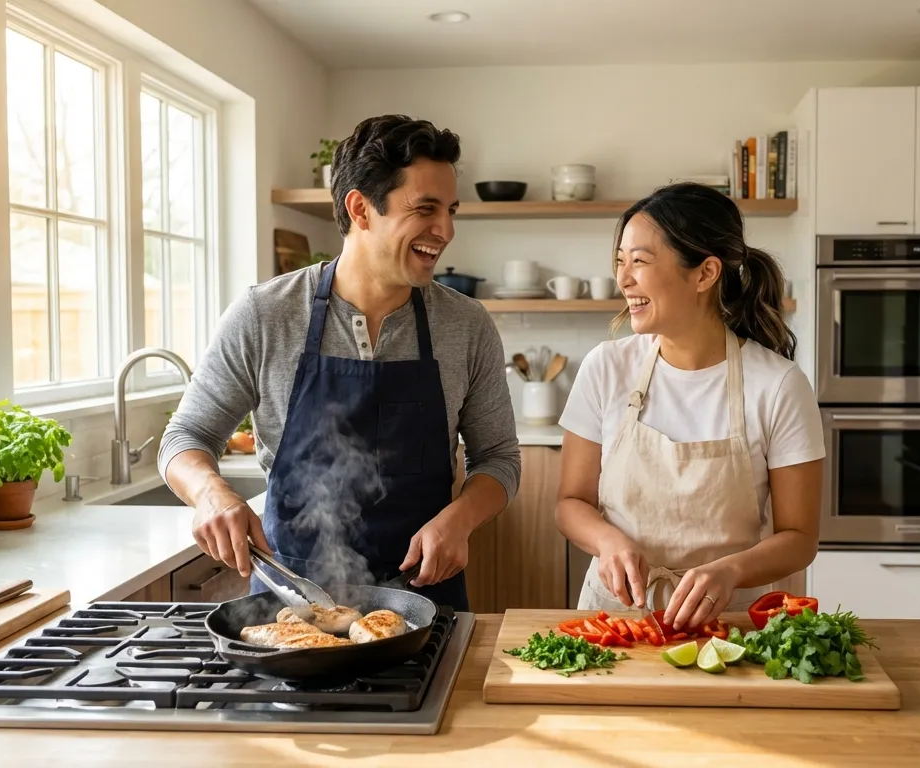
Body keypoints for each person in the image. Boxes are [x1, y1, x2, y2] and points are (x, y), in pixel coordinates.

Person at [159, 115, 521, 611]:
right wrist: (211, 493)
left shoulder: (466, 324)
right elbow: (185, 438)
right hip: (294, 603)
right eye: (425, 209)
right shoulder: (266, 314)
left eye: (451, 210)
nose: (446, 230)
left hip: (424, 602)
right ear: (360, 208)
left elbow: (499, 457)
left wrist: (459, 519)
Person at [555, 182, 824, 631]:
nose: (623, 278)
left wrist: (731, 570)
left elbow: (799, 539)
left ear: (705, 273)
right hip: (616, 623)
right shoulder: (605, 368)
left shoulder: (778, 386)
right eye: (620, 261)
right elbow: (570, 502)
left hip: (731, 625)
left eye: (639, 261)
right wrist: (608, 541)